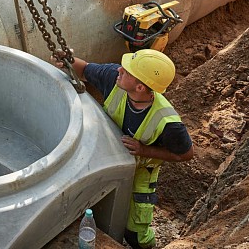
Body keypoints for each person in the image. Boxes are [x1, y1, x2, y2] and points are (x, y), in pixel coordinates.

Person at [51, 48, 194, 249]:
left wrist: (145, 150)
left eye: (126, 71)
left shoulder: (168, 123)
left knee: (135, 234)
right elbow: (82, 70)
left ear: (140, 87)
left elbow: (186, 154)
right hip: (102, 152)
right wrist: (67, 60)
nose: (119, 70)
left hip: (140, 171)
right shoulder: (113, 78)